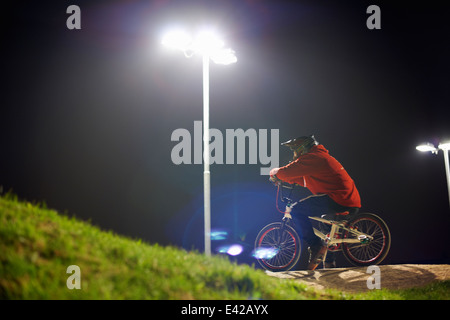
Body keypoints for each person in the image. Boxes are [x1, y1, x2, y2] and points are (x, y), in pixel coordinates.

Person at [269, 135, 361, 270]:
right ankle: (329, 265)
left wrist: (275, 173)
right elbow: (304, 180)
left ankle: (314, 245)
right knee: (327, 233)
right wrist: (284, 179)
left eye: (295, 150)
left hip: (338, 198)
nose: (294, 154)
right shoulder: (318, 157)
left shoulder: (314, 157)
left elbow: (289, 171)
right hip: (345, 199)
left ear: (302, 149)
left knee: (297, 210)